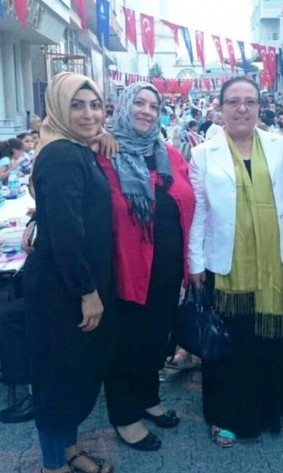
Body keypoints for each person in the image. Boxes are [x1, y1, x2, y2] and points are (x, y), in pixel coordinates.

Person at [189, 76, 283, 447]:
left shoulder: (281, 146)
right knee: (230, 345)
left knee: (269, 340)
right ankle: (226, 415)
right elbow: (199, 214)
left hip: (275, 263)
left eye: (250, 101)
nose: (242, 109)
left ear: (259, 107)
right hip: (226, 265)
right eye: (233, 101)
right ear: (220, 109)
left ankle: (267, 411)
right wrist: (194, 262)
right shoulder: (204, 154)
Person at [23, 72, 116, 473]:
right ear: (59, 109)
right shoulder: (61, 156)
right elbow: (65, 232)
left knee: (76, 371)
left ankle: (69, 449)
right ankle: (51, 467)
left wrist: (102, 138)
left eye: (95, 105)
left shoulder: (76, 149)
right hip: (62, 290)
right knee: (58, 376)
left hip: (75, 283)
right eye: (77, 105)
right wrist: (86, 291)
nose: (89, 114)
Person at [98, 82, 195, 452]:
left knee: (156, 339)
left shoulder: (168, 154)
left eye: (153, 106)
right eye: (138, 103)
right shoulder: (104, 153)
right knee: (126, 344)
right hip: (127, 270)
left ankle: (149, 398)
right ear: (124, 106)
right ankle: (125, 415)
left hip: (167, 271)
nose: (146, 111)